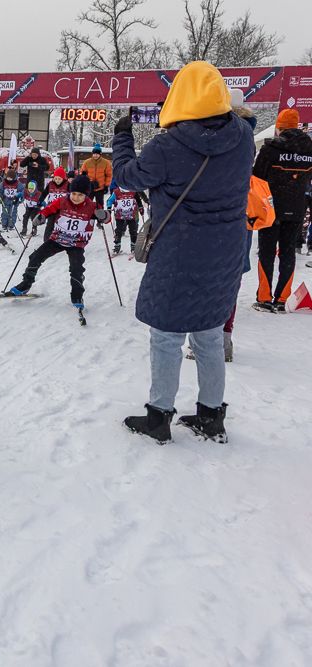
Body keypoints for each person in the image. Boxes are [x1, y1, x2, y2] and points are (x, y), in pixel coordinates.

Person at [112, 60, 252, 444]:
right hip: (224, 253)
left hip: (178, 254)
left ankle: (159, 417)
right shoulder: (243, 138)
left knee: (167, 336)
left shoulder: (169, 146)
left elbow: (125, 177)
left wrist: (123, 137)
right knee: (208, 335)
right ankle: (211, 416)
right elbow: (239, 120)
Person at [10, 175, 106, 309]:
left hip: (76, 244)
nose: (75, 197)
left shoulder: (92, 206)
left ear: (87, 195)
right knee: (35, 257)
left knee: (76, 268)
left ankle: (77, 294)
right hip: (58, 239)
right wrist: (42, 216)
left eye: (80, 195)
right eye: (73, 193)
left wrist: (104, 216)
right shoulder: (62, 201)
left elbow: (106, 219)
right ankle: (26, 283)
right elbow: (49, 209)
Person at [251, 108, 312, 312]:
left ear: (279, 127)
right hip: (296, 209)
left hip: (271, 208)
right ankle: (283, 298)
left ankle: (264, 298)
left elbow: (257, 177)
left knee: (266, 253)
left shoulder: (270, 149)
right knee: (288, 253)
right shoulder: (309, 149)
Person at [107, 186, 148, 255]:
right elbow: (110, 200)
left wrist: (141, 207)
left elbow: (138, 200)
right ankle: (117, 244)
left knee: (133, 230)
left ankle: (133, 245)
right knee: (119, 230)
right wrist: (109, 208)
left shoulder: (133, 191)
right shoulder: (116, 192)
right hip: (119, 216)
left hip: (131, 215)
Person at [36, 167, 70, 239]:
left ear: (63, 178)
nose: (57, 180)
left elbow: (73, 194)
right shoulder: (50, 184)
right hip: (51, 208)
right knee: (50, 225)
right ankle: (46, 240)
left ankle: (60, 240)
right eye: (56, 178)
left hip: (62, 210)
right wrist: (40, 201)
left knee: (60, 225)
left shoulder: (67, 185)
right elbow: (44, 193)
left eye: (59, 179)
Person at [81, 143, 112, 208]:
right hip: (89, 187)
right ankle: (88, 217)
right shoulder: (86, 162)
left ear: (100, 154)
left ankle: (100, 217)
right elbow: (82, 174)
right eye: (94, 154)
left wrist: (106, 185)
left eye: (97, 154)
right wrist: (89, 181)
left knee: (100, 206)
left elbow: (109, 175)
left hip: (100, 188)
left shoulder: (106, 163)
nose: (95, 155)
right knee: (87, 205)